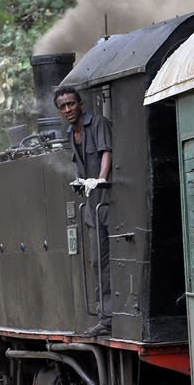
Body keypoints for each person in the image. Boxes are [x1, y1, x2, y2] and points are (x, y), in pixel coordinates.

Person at [55, 86, 114, 336]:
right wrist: (81, 180)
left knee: (109, 258)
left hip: (107, 200)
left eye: (71, 104)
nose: (68, 109)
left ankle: (111, 315)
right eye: (63, 106)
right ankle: (105, 315)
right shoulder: (71, 133)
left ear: (81, 104)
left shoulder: (98, 123)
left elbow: (105, 152)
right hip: (91, 205)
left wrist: (100, 179)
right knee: (96, 260)